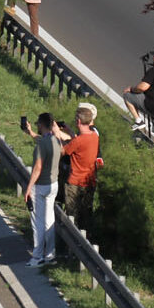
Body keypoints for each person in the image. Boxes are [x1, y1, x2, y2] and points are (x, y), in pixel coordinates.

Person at [55, 103, 101, 232]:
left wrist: (57, 135)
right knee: (86, 213)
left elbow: (63, 151)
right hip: (89, 181)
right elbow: (79, 145)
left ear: (78, 121)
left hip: (75, 182)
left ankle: (71, 244)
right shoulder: (94, 136)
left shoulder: (78, 141)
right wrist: (69, 132)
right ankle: (87, 237)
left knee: (72, 214)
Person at [24, 112, 61, 267]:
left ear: (41, 124)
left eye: (37, 124)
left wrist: (29, 188)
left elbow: (37, 168)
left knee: (37, 222)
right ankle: (50, 255)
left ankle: (37, 256)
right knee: (49, 220)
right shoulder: (56, 140)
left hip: (40, 186)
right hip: (53, 184)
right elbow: (43, 142)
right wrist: (30, 133)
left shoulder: (41, 145)